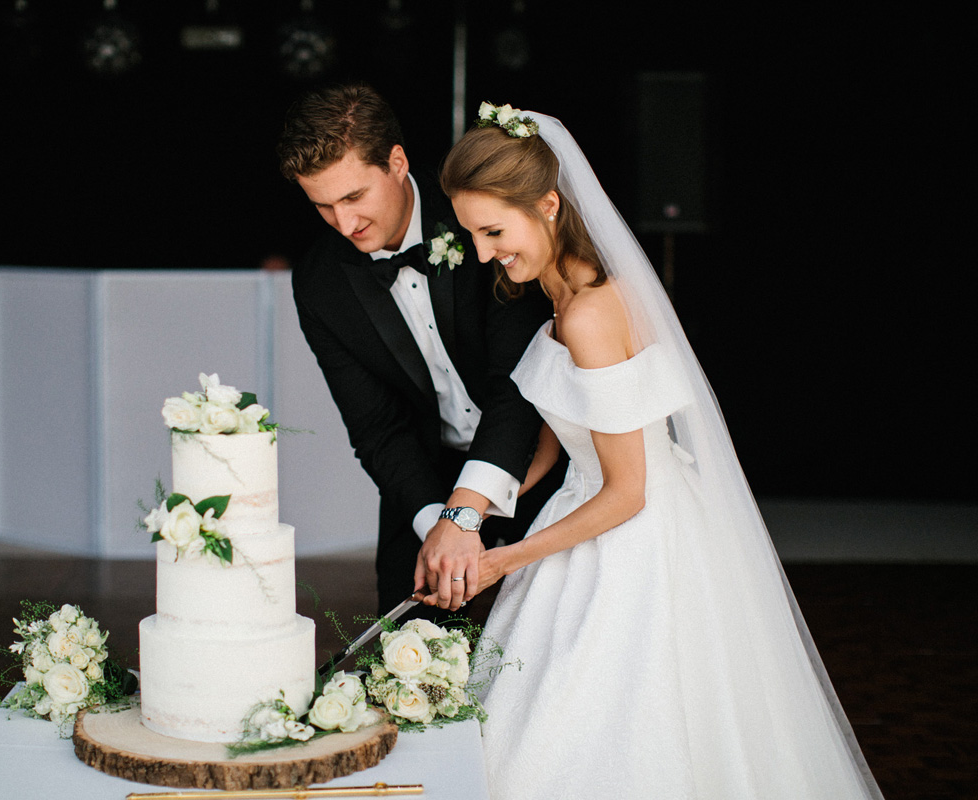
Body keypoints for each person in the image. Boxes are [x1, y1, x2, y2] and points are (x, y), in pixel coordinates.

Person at [432, 104, 884, 799]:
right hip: (582, 509)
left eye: (494, 231)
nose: (486, 253)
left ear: (548, 204)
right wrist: (467, 523)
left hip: (632, 535)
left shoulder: (588, 315)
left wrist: (502, 558)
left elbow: (628, 490)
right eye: (472, 234)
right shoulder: (559, 293)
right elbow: (552, 442)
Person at [276, 85, 565, 616]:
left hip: (543, 466)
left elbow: (517, 382)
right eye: (323, 206)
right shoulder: (320, 283)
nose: (345, 224)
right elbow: (377, 429)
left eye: (354, 197)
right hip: (425, 491)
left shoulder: (477, 211)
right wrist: (441, 525)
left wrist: (466, 515)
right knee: (412, 675)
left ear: (397, 161)